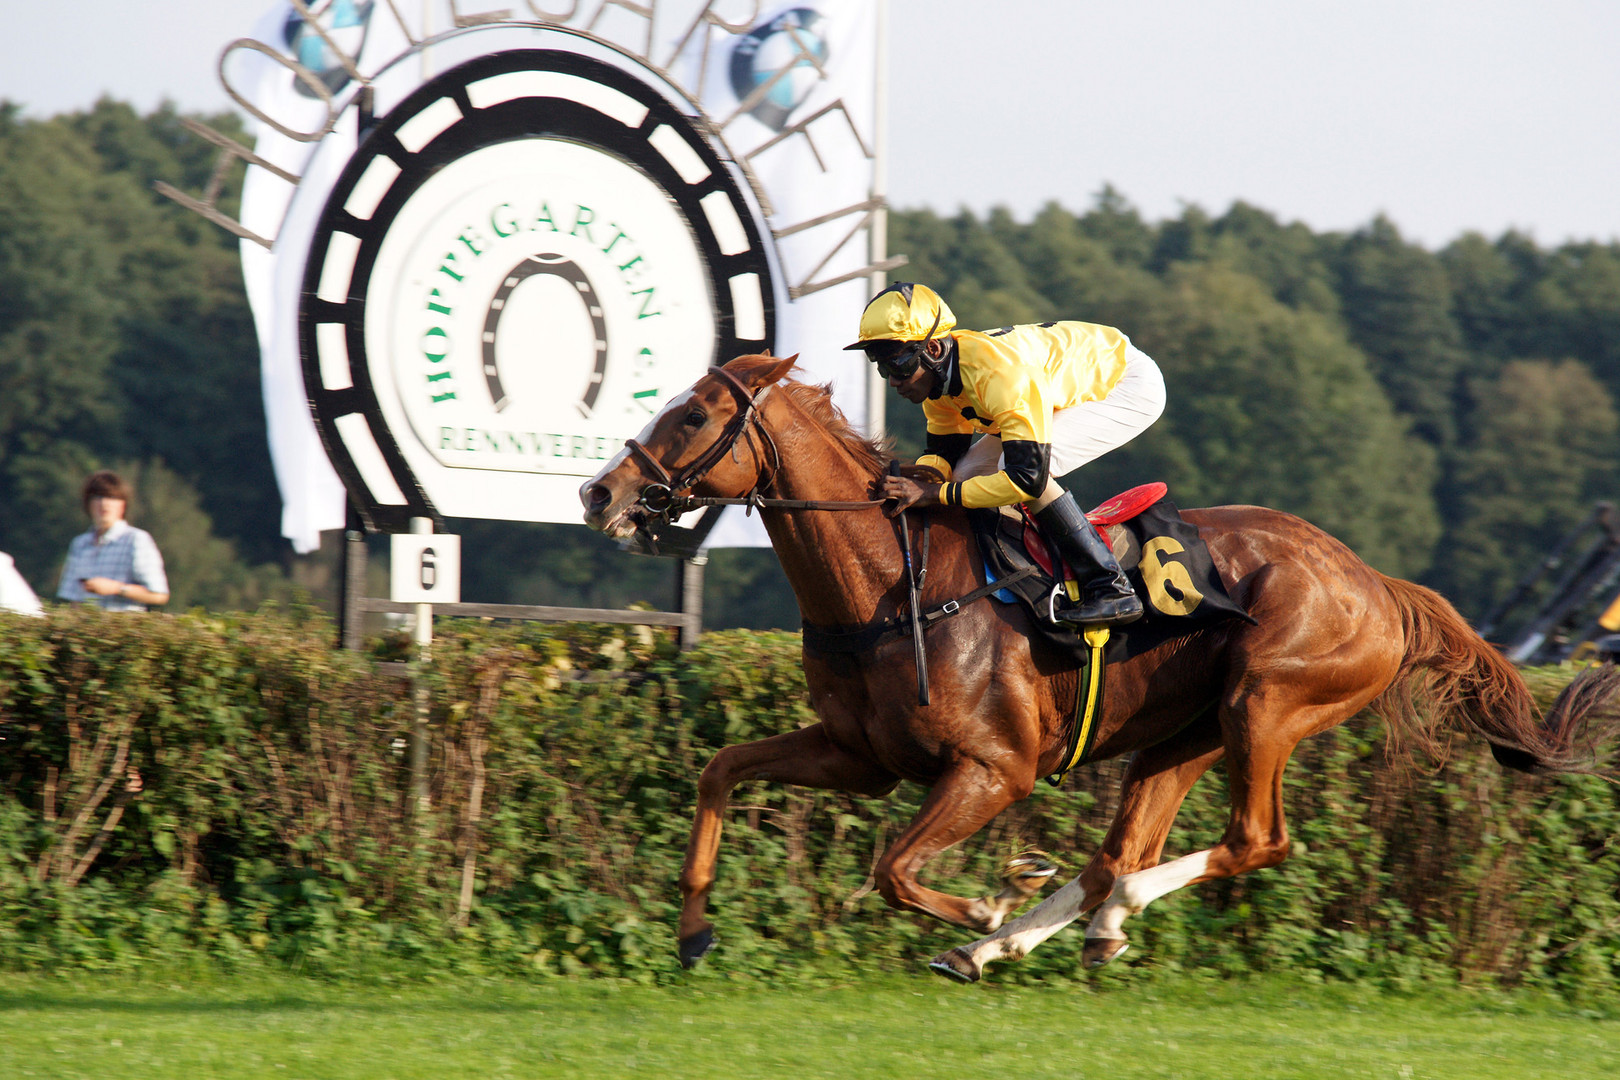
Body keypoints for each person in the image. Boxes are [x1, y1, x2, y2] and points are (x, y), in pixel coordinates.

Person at [848, 283, 1165, 628]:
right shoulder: (939, 378)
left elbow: (1027, 478)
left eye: (898, 364)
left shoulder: (998, 375)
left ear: (934, 348)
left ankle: (1111, 587)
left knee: (1016, 471)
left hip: (1125, 384)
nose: (893, 381)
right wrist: (925, 476)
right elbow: (945, 453)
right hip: (1054, 386)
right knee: (965, 475)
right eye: (883, 367)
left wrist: (932, 494)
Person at [56, 471, 170, 611]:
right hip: (86, 630)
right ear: (88, 503)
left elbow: (159, 594)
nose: (104, 503)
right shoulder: (79, 544)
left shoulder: (136, 540)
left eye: (111, 497)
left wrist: (116, 588)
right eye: (98, 497)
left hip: (123, 630)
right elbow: (73, 600)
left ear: (123, 504)